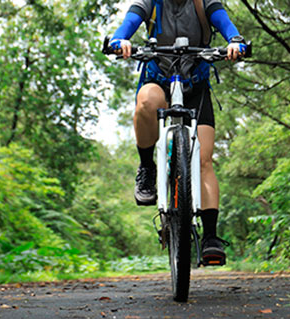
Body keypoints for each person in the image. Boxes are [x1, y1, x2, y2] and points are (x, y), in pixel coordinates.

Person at [108, 0, 246, 265]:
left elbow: (225, 23)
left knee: (204, 159)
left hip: (195, 86)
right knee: (146, 101)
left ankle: (211, 237)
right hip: (159, 80)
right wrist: (119, 40)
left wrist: (235, 41)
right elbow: (130, 21)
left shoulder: (204, 3)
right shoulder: (150, 2)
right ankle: (147, 168)